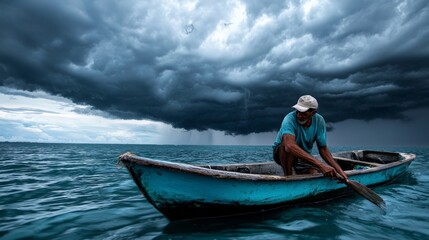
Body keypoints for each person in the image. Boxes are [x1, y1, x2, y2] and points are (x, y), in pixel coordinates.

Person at [273, 95, 349, 182]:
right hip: (281, 154)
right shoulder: (289, 119)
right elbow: (289, 146)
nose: (299, 115)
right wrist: (321, 165)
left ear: (313, 113)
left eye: (303, 113)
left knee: (314, 173)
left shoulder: (319, 121)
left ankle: (300, 172)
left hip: (302, 156)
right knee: (286, 146)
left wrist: (340, 172)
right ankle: (288, 178)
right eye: (297, 111)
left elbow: (323, 149)